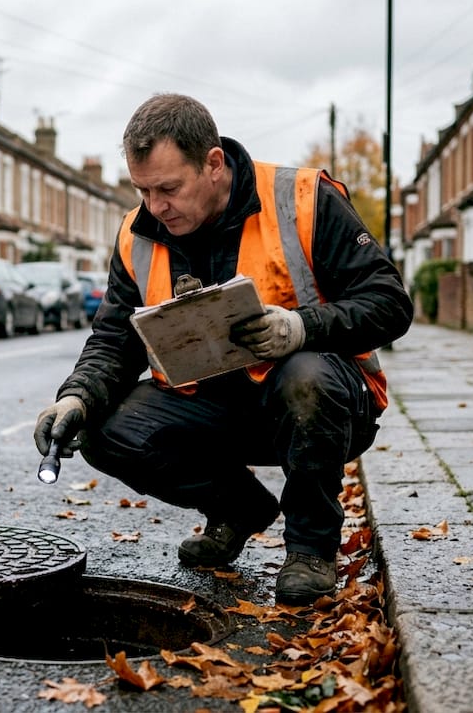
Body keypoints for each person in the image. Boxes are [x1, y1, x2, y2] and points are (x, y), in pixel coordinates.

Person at [34, 94, 413, 605]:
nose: (155, 206)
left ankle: (309, 548)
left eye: (168, 188)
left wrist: (300, 328)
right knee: (100, 429)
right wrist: (77, 397)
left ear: (213, 164)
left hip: (320, 405)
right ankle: (239, 509)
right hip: (213, 408)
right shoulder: (137, 233)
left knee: (306, 376)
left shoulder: (303, 198)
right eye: (142, 189)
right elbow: (115, 337)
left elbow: (389, 303)